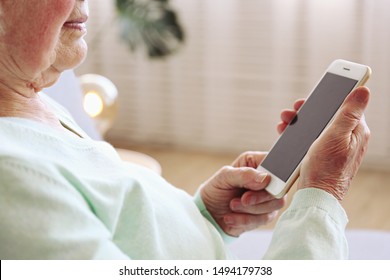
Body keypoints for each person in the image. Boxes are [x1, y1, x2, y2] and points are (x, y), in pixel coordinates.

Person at [0, 0, 370, 260]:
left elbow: (113, 222)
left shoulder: (33, 102)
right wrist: (322, 194)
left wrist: (202, 214)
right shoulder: (12, 181)